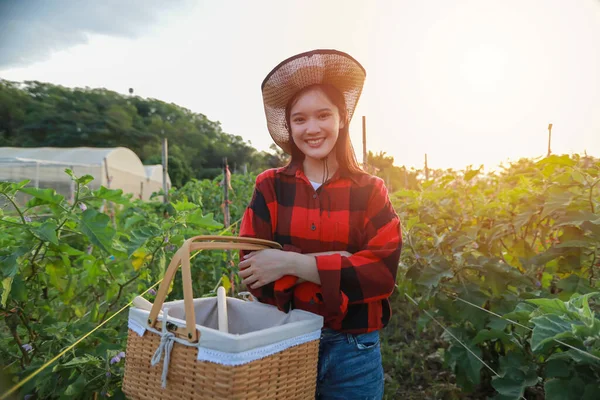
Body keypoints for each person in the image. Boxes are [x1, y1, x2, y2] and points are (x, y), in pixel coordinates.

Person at [238, 49, 402, 400]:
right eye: (299, 119)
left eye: (323, 115)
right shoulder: (269, 187)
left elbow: (382, 275)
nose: (312, 129)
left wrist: (290, 262)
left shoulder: (370, 191)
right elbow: (254, 273)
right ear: (290, 126)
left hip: (353, 349)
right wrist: (340, 261)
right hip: (283, 339)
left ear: (342, 119)